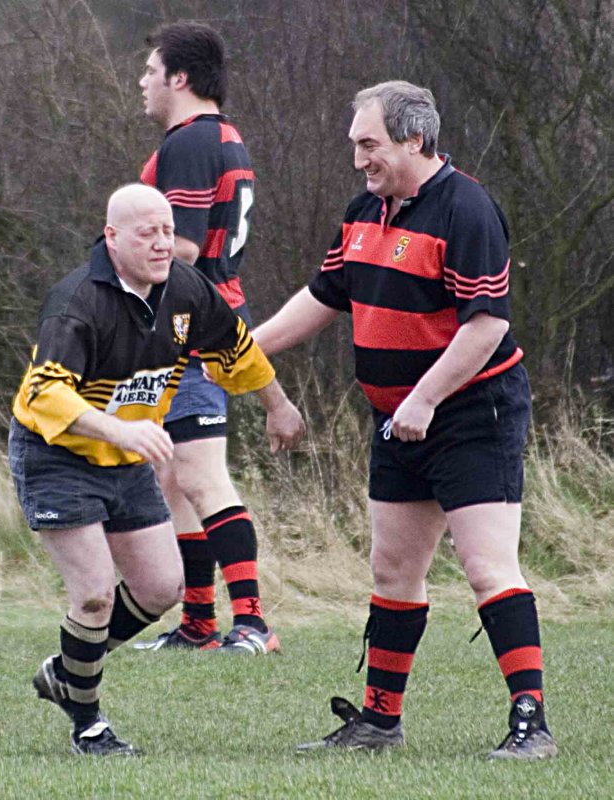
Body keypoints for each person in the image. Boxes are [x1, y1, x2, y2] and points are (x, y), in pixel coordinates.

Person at [252, 81, 557, 760]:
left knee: (486, 567)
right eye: (356, 144)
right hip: (399, 420)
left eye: (370, 143)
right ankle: (379, 722)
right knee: (392, 570)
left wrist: (423, 398)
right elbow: (323, 296)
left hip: (474, 411)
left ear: (414, 139)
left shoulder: (467, 209)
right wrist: (245, 350)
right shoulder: (366, 209)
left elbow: (485, 327)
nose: (359, 158)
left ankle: (530, 724)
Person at [8, 184, 304, 756]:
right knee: (94, 595)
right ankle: (89, 725)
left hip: (126, 457)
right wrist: (121, 429)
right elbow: (45, 395)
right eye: (148, 233)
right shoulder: (77, 302)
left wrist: (278, 406)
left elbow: (237, 352)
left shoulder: (188, 290)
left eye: (169, 230)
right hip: (57, 454)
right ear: (112, 237)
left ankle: (68, 669)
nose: (163, 243)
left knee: (161, 586)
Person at [136, 22, 277, 654]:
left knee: (200, 475)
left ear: (179, 78)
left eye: (150, 70)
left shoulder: (189, 141)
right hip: (197, 323)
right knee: (174, 481)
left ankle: (252, 622)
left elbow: (183, 248)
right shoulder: (223, 137)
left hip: (193, 328)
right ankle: (198, 623)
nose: (141, 82)